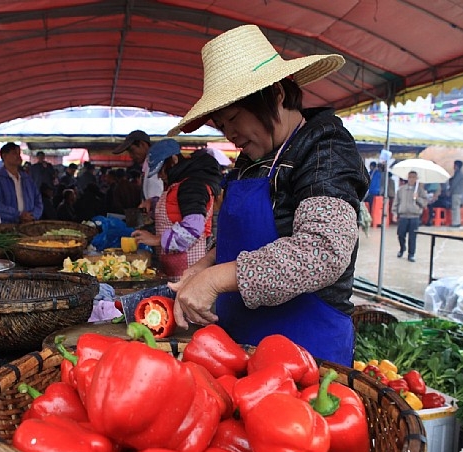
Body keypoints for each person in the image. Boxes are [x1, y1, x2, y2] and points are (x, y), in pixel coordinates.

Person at [165, 25, 368, 366]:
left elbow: (322, 250)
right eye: (221, 125)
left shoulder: (325, 149)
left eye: (232, 119)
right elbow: (245, 238)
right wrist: (203, 266)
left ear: (275, 94)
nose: (230, 135)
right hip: (239, 345)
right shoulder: (251, 160)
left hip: (306, 352)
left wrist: (216, 280)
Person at [131, 139, 222, 281]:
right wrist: (153, 203)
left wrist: (156, 240)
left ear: (173, 160)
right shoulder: (179, 184)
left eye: (161, 170)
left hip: (190, 275)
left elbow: (193, 228)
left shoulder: (192, 185)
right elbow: (177, 208)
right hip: (173, 272)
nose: (160, 175)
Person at [113, 130, 163, 215]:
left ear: (143, 144)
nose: (131, 156)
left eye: (132, 150)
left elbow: (158, 199)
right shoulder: (147, 167)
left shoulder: (155, 166)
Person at [0, 142, 43, 224]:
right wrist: (18, 215)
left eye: (19, 153)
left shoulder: (27, 179)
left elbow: (38, 200)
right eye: (14, 153)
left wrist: (33, 215)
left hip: (29, 223)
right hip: (7, 225)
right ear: (4, 156)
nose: (18, 156)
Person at [391, 171, 427, 262]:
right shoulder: (401, 190)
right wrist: (395, 213)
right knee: (400, 234)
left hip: (414, 216)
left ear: (416, 179)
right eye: (410, 177)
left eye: (413, 177)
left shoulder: (420, 190)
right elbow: (396, 202)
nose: (411, 179)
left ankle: (411, 254)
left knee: (412, 236)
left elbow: (424, 203)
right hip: (403, 216)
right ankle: (402, 248)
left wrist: (417, 198)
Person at [448, 160, 463, 227]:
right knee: (456, 208)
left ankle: (456, 222)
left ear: (457, 166)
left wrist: (450, 191)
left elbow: (454, 184)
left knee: (455, 208)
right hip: (457, 193)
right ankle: (456, 222)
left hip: (456, 193)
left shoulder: (459, 174)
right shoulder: (457, 173)